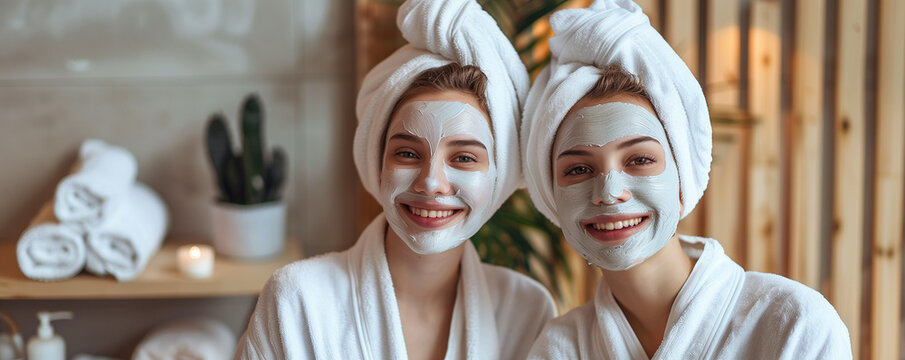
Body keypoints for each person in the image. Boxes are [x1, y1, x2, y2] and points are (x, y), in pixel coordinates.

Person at [521, 1, 851, 358]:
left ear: (682, 181)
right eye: (578, 169)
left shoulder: (792, 324)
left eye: (640, 160)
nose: (609, 192)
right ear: (551, 195)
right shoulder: (559, 348)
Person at [234, 0, 556, 358]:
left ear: (499, 174)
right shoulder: (297, 301)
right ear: (377, 161)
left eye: (464, 158)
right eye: (407, 154)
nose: (431, 182)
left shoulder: (527, 312)